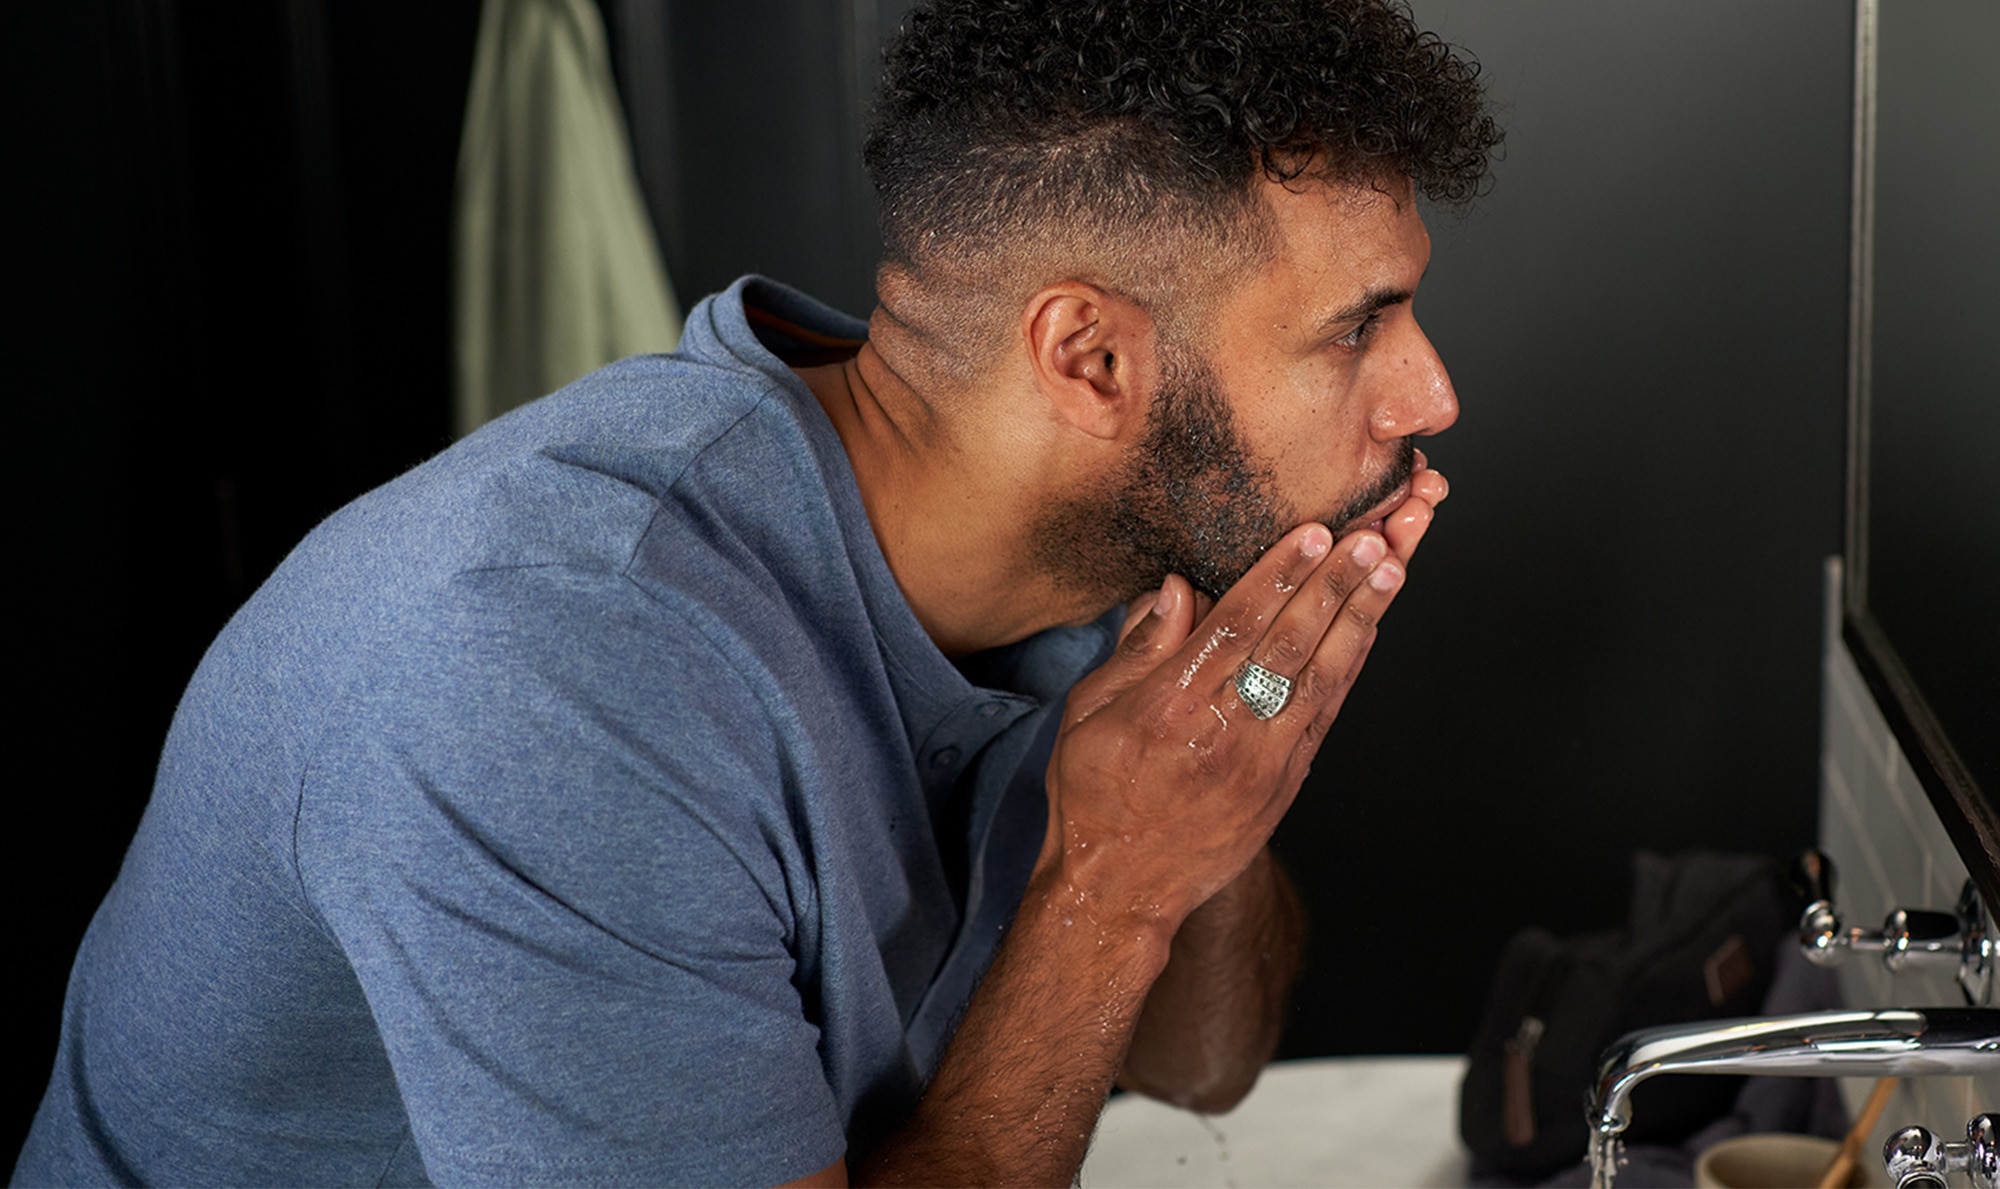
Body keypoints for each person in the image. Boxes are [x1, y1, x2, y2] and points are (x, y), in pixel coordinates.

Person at [15, 0, 1499, 1184]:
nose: (1429, 391)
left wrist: (1209, 781)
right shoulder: (550, 667)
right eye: (1358, 328)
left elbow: (1203, 1066)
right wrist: (1108, 886)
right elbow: (1115, 928)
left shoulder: (1097, 566)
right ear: (1090, 360)